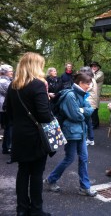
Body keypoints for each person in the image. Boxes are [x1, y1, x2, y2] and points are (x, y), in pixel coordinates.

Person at [6, 52, 52, 216]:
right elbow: (45, 115)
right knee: (36, 174)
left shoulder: (13, 86)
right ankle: (36, 210)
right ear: (35, 66)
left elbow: (7, 111)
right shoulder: (38, 85)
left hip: (19, 135)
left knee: (23, 172)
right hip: (35, 136)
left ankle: (22, 209)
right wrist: (47, 101)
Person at [44, 73, 97, 197]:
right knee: (69, 158)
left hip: (81, 131)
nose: (89, 86)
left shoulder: (81, 94)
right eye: (87, 83)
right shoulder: (70, 95)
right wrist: (83, 111)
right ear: (80, 83)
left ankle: (84, 187)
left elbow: (90, 110)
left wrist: (82, 110)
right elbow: (76, 116)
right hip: (71, 132)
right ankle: (51, 179)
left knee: (83, 158)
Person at [79, 67, 98, 146]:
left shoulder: (90, 80)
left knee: (86, 122)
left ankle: (88, 138)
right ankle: (90, 138)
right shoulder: (92, 79)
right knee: (88, 122)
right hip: (90, 103)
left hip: (89, 103)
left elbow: (85, 89)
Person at [0, 64, 14, 157]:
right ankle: (8, 147)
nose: (12, 73)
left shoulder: (6, 80)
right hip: (3, 107)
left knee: (8, 128)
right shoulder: (4, 81)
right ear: (5, 72)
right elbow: (11, 93)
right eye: (10, 71)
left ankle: (6, 147)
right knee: (9, 127)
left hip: (3, 107)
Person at [90, 61, 104, 129]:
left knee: (95, 108)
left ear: (98, 67)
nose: (93, 67)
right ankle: (95, 123)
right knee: (92, 108)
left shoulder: (100, 73)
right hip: (92, 93)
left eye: (95, 66)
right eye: (92, 66)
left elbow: (94, 79)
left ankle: (95, 124)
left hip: (96, 94)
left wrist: (92, 73)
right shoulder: (93, 73)